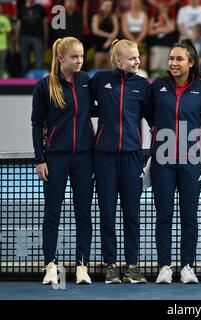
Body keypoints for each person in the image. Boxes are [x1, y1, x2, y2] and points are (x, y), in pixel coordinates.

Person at [31, 37, 94, 285]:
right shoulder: (44, 86)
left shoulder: (88, 82)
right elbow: (37, 125)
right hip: (55, 159)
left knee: (83, 214)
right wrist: (39, 159)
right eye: (74, 57)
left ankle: (82, 266)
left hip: (85, 159)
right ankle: (50, 265)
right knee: (52, 214)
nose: (79, 61)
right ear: (61, 58)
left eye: (81, 56)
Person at [89, 39, 151, 284]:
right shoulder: (100, 81)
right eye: (132, 58)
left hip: (132, 157)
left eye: (138, 57)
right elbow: (83, 107)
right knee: (107, 213)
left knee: (132, 214)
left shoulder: (142, 85)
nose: (137, 61)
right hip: (103, 158)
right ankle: (111, 265)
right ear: (118, 60)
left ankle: (132, 266)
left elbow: (153, 117)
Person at [148, 39, 201, 284]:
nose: (173, 63)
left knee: (189, 216)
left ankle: (187, 267)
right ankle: (164, 266)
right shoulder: (157, 86)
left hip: (191, 161)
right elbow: (146, 112)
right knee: (163, 215)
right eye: (171, 58)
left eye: (179, 59)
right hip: (162, 161)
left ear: (191, 62)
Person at [91, 0, 119, 69]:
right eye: (106, 5)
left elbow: (116, 31)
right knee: (97, 67)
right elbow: (96, 31)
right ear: (101, 6)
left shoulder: (113, 17)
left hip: (110, 46)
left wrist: (109, 41)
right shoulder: (96, 17)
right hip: (99, 45)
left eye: (110, 6)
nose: (108, 8)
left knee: (110, 68)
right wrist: (110, 36)